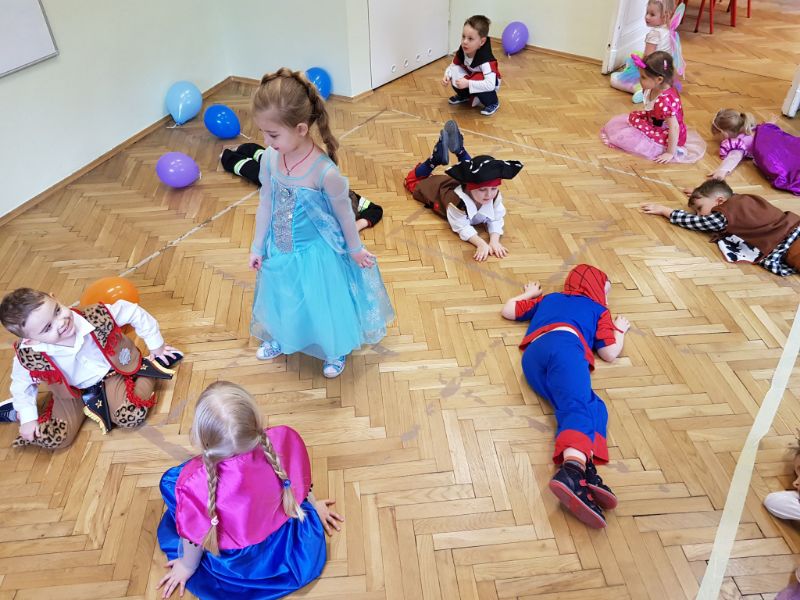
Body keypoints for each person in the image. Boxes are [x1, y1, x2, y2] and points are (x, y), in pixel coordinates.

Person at [247, 68, 394, 378]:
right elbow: (266, 202)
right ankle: (283, 335)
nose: (266, 141)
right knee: (284, 296)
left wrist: (355, 249)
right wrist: (257, 246)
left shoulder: (324, 172)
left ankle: (333, 347)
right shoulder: (270, 158)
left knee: (320, 302)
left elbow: (344, 216)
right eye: (263, 132)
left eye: (273, 134)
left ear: (301, 128)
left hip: (315, 255)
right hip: (279, 248)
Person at [156, 381, 343, 599]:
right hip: (284, 541)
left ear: (200, 437)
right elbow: (296, 481)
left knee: (169, 483)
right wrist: (312, 506)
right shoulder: (283, 440)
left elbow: (196, 535)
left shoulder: (195, 486)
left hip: (239, 563)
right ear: (255, 419)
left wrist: (187, 566)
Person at [500, 265, 629, 528]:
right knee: (576, 408)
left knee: (594, 406)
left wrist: (528, 295)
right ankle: (572, 470)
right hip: (566, 350)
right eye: (606, 291)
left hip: (533, 359)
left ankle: (586, 464)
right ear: (597, 290)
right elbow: (609, 353)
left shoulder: (550, 299)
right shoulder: (598, 309)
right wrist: (619, 330)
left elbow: (509, 311)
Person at [0, 288, 181, 449]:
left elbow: (133, 312)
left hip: (112, 373)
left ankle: (151, 366)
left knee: (130, 415)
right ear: (29, 340)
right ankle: (16, 411)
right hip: (71, 392)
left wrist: (156, 346)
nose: (60, 322)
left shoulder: (96, 315)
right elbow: (22, 384)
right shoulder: (29, 355)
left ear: (55, 298)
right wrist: (28, 417)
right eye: (48, 327)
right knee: (55, 437)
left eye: (57, 311)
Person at [403, 120, 523, 261]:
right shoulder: (456, 203)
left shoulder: (494, 196)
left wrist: (494, 241)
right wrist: (481, 243)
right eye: (483, 190)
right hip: (436, 187)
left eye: (493, 188)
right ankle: (434, 160)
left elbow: (497, 217)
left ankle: (460, 150)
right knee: (410, 181)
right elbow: (461, 227)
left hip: (459, 184)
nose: (489, 194)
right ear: (470, 188)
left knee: (474, 173)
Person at [641, 179, 800, 276]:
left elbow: (696, 222)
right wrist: (700, 194)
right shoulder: (739, 198)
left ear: (719, 201)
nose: (700, 214)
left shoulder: (722, 215)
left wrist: (666, 211)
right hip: (794, 224)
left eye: (700, 208)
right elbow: (722, 193)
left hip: (788, 245)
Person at [221, 142, 384, 230]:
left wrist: (358, 225)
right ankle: (241, 151)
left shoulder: (347, 199)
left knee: (254, 169)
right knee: (266, 162)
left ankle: (231, 155)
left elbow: (376, 209)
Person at [601, 51, 705, 164]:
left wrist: (670, 152)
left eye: (643, 77)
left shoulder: (665, 101)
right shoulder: (653, 88)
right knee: (626, 126)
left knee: (629, 139)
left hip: (666, 135)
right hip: (652, 122)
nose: (639, 80)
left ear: (659, 79)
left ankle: (668, 148)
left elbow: (674, 128)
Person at [709, 109, 800, 196]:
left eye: (716, 135)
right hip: (784, 144)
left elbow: (733, 157)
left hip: (773, 153)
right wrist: (770, 123)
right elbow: (767, 129)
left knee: (789, 168)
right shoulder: (753, 128)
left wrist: (722, 171)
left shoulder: (740, 142)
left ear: (724, 134)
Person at [610, 0, 684, 104]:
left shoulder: (654, 34)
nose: (647, 17)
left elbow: (648, 56)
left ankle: (642, 90)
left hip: (652, 69)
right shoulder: (669, 31)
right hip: (664, 69)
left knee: (614, 79)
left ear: (665, 16)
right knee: (636, 54)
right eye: (647, 13)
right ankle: (661, 88)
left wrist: (638, 65)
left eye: (652, 14)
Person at [442, 15, 502, 116]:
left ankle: (493, 102)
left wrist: (468, 83)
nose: (465, 41)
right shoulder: (463, 50)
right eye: (463, 37)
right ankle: (465, 96)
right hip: (471, 77)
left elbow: (490, 84)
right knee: (454, 70)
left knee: (479, 78)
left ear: (482, 42)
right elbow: (453, 66)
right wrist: (447, 75)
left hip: (489, 83)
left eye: (470, 39)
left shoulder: (486, 60)